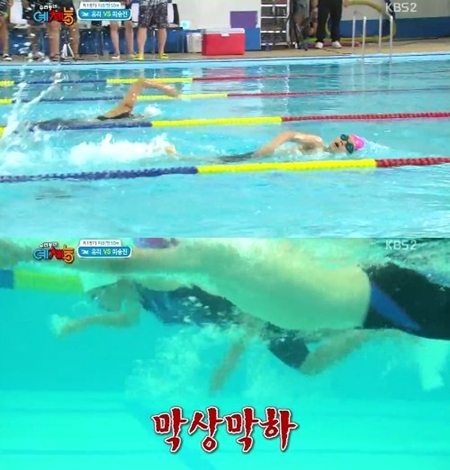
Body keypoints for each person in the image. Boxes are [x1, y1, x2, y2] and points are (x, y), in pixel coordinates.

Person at [1, 239, 449, 342]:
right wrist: (30, 250)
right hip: (381, 297)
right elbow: (116, 256)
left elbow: (116, 257)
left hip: (383, 296)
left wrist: (30, 251)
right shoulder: (211, 257)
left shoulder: (212, 253)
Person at [30, 78, 179, 134]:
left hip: (86, 124)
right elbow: (140, 82)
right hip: (83, 124)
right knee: (40, 127)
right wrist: (165, 88)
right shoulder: (125, 109)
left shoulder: (124, 116)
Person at [215, 131, 366, 163]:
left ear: (348, 153)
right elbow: (289, 134)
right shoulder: (317, 143)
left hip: (268, 161)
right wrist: (271, 146)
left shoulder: (329, 159)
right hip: (262, 155)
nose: (343, 142)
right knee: (218, 161)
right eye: (344, 138)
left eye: (348, 146)